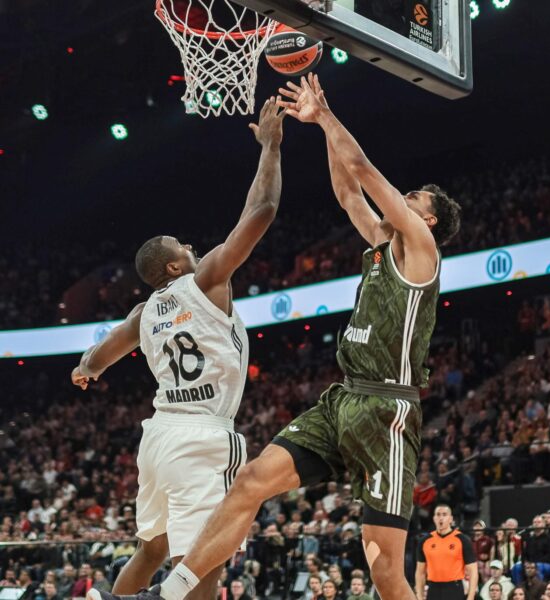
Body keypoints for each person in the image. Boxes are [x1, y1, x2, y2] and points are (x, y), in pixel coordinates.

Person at [90, 73, 460, 600]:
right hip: (343, 400)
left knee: (382, 569)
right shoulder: (381, 241)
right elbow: (346, 188)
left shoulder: (422, 248)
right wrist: (316, 126)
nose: (406, 194)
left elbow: (361, 169)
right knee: (251, 481)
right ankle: (170, 593)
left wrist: (325, 116)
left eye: (415, 196)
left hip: (387, 411)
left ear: (427, 218)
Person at [79, 98, 285, 600]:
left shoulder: (143, 313)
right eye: (182, 247)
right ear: (173, 268)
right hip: (201, 437)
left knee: (151, 551)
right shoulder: (207, 279)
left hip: (158, 437)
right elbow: (261, 210)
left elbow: (101, 355)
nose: (191, 247)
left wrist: (85, 369)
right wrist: (271, 148)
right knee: (204, 563)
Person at [415, 504, 478, 600]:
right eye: (438, 514)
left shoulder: (462, 540)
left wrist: (471, 597)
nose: (441, 518)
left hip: (454, 588)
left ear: (450, 519)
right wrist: (419, 596)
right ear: (434, 518)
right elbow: (420, 572)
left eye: (444, 514)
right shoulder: (425, 541)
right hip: (433, 588)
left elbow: (473, 571)